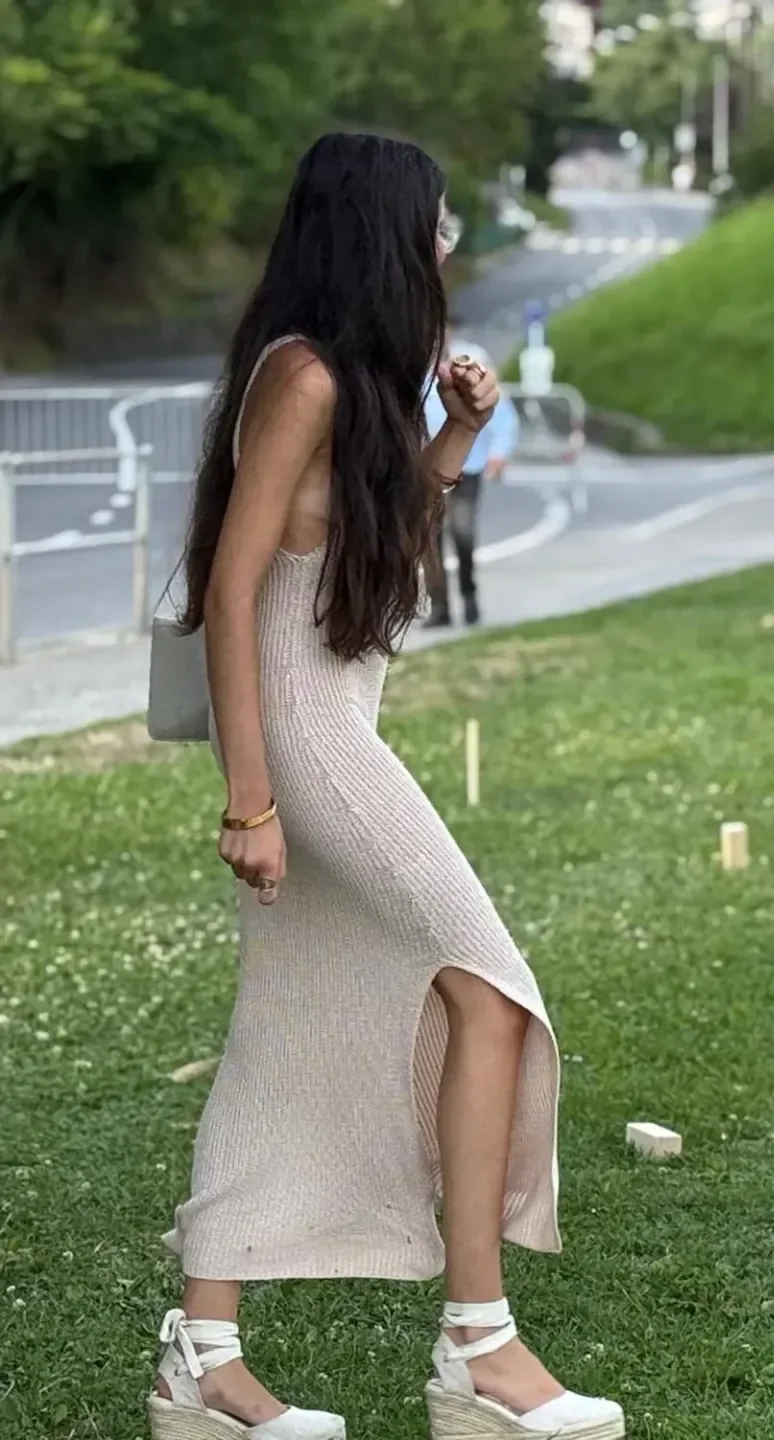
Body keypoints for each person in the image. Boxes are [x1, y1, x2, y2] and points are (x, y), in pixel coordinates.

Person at [159, 133, 623, 1440]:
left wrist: (457, 434)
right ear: (381, 232)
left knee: (291, 1026)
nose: (446, 246)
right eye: (437, 223)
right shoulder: (299, 378)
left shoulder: (357, 384)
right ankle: (479, 1343)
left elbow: (376, 562)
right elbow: (236, 590)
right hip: (304, 741)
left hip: (334, 714)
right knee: (489, 987)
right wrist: (250, 796)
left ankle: (204, 1356)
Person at [424, 323, 519, 628]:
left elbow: (501, 413)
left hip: (468, 467)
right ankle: (439, 607)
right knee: (429, 541)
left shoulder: (469, 366)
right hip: (427, 469)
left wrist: (498, 453)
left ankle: (470, 599)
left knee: (462, 535)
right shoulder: (415, 374)